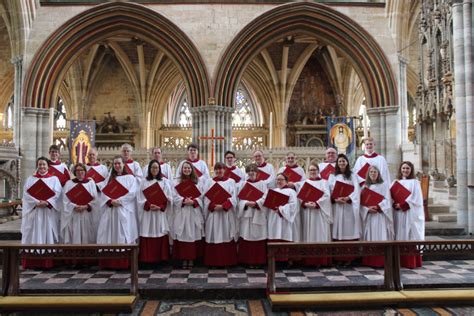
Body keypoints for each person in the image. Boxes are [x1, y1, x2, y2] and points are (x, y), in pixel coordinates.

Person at [97, 155, 138, 269]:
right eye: (115, 163)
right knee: (109, 234)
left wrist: (119, 201)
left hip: (124, 210)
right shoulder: (109, 179)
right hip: (111, 211)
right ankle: (109, 263)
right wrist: (110, 201)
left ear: (123, 164)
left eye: (119, 163)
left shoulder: (130, 178)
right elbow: (103, 192)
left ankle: (123, 263)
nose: (117, 165)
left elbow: (132, 193)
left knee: (123, 235)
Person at [21, 157, 62, 269]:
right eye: (40, 164)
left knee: (47, 233)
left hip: (48, 213)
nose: (42, 166)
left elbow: (58, 195)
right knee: (33, 233)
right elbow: (26, 195)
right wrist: (36, 202)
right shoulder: (30, 179)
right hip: (35, 212)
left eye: (44, 164)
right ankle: (32, 262)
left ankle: (47, 262)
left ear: (48, 166)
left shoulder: (54, 179)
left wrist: (47, 202)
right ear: (37, 166)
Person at [137, 160, 173, 265]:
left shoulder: (164, 182)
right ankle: (147, 260)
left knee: (160, 232)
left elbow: (169, 197)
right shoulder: (143, 182)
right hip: (148, 213)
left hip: (159, 213)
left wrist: (161, 206)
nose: (154, 170)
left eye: (156, 168)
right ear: (149, 169)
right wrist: (148, 205)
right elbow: (139, 198)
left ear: (159, 169)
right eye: (152, 167)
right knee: (147, 232)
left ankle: (161, 260)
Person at [297, 162, 332, 267]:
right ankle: (309, 261)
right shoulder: (304, 183)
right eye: (311, 170)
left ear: (318, 171)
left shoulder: (324, 182)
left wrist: (317, 203)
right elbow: (299, 196)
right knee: (309, 236)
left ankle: (320, 261)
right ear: (308, 172)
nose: (313, 172)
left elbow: (327, 196)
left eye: (314, 170)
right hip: (308, 212)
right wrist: (305, 203)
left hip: (319, 213)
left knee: (320, 235)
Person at [203, 162, 238, 267]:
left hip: (226, 214)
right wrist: (213, 206)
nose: (219, 171)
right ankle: (213, 262)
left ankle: (228, 261)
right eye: (217, 169)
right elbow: (206, 198)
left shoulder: (231, 182)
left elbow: (234, 198)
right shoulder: (209, 182)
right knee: (214, 234)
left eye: (221, 169)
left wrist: (224, 206)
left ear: (225, 170)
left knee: (226, 234)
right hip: (214, 214)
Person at [172, 161, 205, 269]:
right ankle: (183, 259)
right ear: (181, 170)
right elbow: (174, 196)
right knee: (182, 234)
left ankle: (191, 259)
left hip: (193, 212)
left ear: (192, 169)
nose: (187, 170)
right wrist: (182, 200)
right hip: (182, 212)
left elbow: (202, 197)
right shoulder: (176, 182)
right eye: (185, 168)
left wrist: (194, 201)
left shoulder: (198, 182)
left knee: (193, 235)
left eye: (189, 168)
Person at [328, 154, 360, 265]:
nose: (342, 163)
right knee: (337, 230)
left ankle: (349, 258)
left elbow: (356, 190)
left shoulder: (352, 175)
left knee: (348, 230)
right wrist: (335, 199)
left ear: (347, 163)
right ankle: (338, 259)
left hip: (348, 207)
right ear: (337, 163)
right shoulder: (332, 176)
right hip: (337, 206)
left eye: (343, 161)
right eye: (340, 161)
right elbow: (329, 190)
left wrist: (348, 198)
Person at [392, 161, 424, 269]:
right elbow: (390, 196)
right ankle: (399, 261)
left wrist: (403, 205)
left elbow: (417, 200)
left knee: (410, 235)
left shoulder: (415, 183)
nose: (405, 170)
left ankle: (410, 262)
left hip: (409, 214)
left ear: (411, 170)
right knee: (399, 234)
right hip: (399, 215)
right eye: (403, 168)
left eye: (407, 168)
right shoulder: (396, 182)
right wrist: (394, 204)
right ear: (400, 169)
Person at [360, 165, 393, 267]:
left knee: (381, 237)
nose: (373, 174)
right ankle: (370, 261)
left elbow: (388, 200)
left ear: (378, 174)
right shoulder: (365, 187)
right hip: (369, 216)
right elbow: (360, 203)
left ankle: (381, 261)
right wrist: (367, 209)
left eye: (375, 172)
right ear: (368, 174)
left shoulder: (384, 185)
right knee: (370, 238)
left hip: (380, 216)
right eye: (371, 172)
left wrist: (378, 207)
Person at [236, 163, 268, 267]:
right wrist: (245, 203)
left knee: (258, 237)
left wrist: (257, 203)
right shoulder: (242, 184)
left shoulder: (263, 184)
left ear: (257, 172)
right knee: (246, 236)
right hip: (247, 214)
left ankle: (258, 261)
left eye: (253, 171)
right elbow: (238, 199)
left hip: (258, 213)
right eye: (249, 171)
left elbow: (265, 197)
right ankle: (247, 261)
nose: (251, 173)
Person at [61, 163, 100, 245]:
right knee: (75, 234)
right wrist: (74, 206)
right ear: (75, 172)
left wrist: (86, 206)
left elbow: (95, 199)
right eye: (77, 170)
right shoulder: (69, 183)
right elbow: (65, 200)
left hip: (86, 214)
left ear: (85, 171)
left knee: (87, 235)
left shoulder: (90, 183)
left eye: (82, 170)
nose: (80, 172)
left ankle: (87, 255)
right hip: (74, 214)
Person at [266, 173, 300, 263]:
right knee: (274, 237)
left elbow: (293, 205)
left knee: (284, 237)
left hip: (284, 219)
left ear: (286, 181)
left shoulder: (291, 191)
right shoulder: (273, 191)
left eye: (281, 179)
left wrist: (281, 209)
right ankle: (274, 260)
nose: (279, 181)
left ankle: (285, 261)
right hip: (273, 218)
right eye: (277, 179)